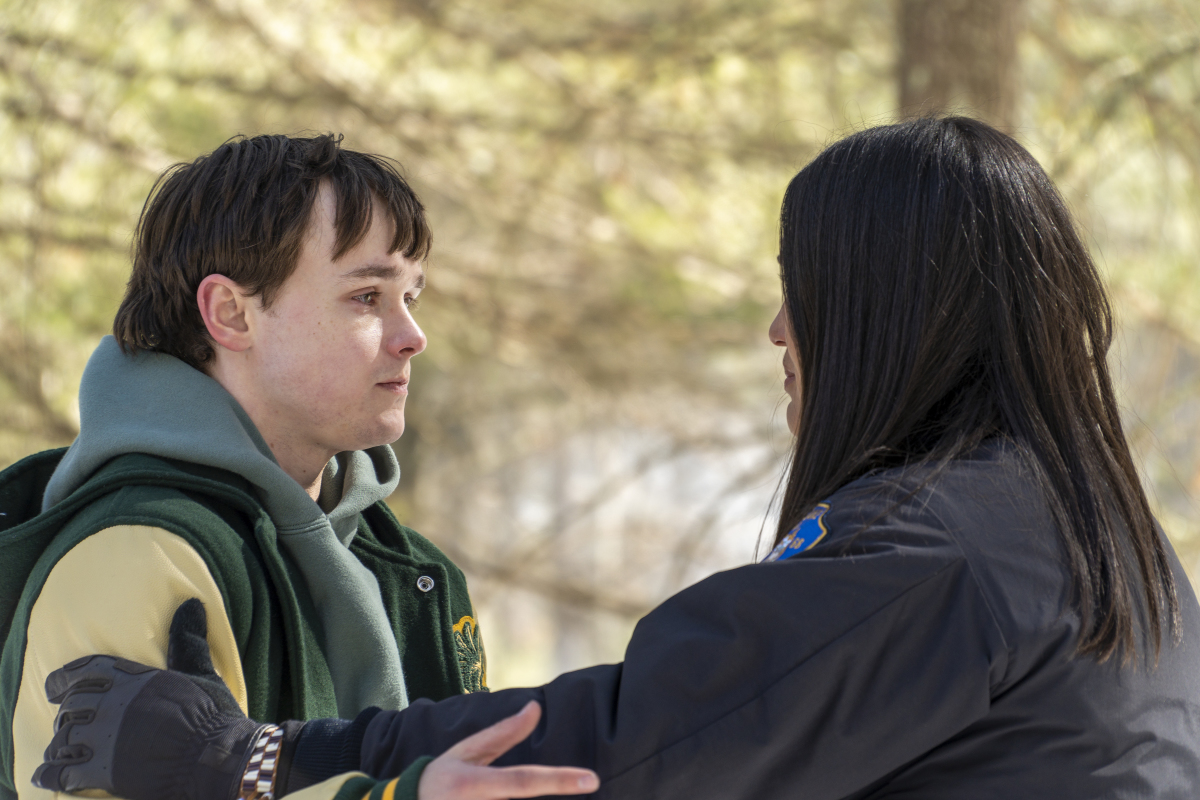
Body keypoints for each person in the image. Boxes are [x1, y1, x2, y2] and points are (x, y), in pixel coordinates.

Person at [35, 117, 1200, 799]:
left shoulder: (942, 554)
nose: (781, 331)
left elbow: (650, 738)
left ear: (897, 310)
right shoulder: (1086, 537)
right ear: (229, 313)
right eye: (365, 296)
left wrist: (257, 760)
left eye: (806, 293)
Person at [0, 134, 596, 800]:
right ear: (231, 313)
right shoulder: (140, 553)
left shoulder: (410, 572)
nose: (412, 335)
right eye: (367, 297)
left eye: (412, 297)